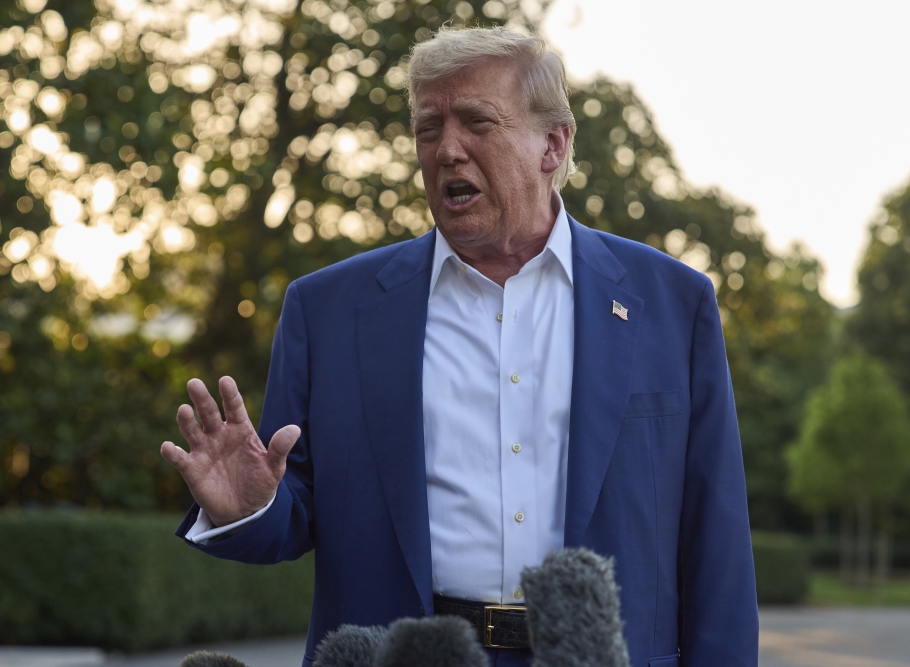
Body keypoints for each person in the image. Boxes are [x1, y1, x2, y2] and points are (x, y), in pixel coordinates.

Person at [161, 27, 758, 667]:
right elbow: (295, 504)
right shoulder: (328, 310)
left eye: (477, 122)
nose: (447, 150)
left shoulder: (672, 302)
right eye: (428, 128)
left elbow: (715, 535)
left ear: (553, 144)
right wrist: (251, 509)